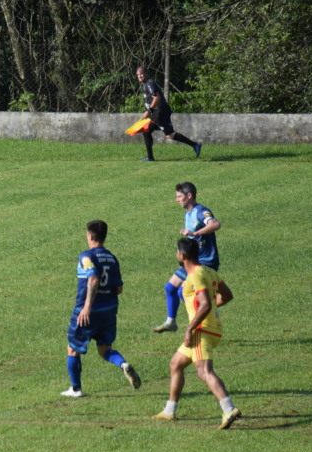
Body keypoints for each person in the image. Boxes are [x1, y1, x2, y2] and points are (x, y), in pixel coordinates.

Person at [152, 238, 241, 429]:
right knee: (176, 363)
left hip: (201, 330)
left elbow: (206, 303)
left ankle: (228, 408)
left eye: (177, 252)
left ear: (182, 255)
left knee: (203, 371)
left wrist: (190, 327)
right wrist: (206, 308)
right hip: (210, 326)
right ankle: (169, 411)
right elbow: (226, 295)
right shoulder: (209, 271)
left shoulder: (194, 275)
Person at [62, 220, 142, 398]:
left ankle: (76, 389)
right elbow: (119, 288)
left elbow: (93, 279)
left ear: (90, 236)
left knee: (72, 349)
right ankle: (123, 364)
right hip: (109, 311)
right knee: (104, 349)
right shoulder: (112, 258)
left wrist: (87, 307)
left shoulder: (86, 256)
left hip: (88, 312)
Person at [152, 181, 221, 333]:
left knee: (182, 292)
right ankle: (171, 322)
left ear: (189, 196)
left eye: (179, 196)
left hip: (206, 261)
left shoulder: (201, 211)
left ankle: (205, 319)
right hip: (193, 260)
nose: (177, 200)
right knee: (170, 288)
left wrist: (195, 233)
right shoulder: (188, 214)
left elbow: (215, 224)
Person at [134, 66, 201, 161]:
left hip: (160, 113)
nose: (139, 76)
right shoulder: (146, 84)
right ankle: (150, 157)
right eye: (138, 74)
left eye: (141, 74)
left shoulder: (150, 83)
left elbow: (157, 98)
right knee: (147, 131)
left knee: (169, 135)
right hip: (157, 113)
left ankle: (195, 145)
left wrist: (149, 111)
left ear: (146, 74)